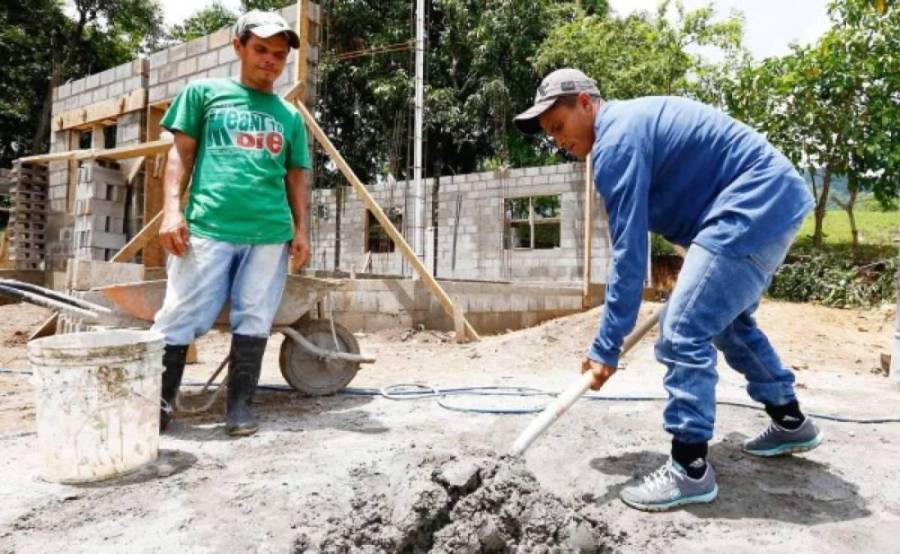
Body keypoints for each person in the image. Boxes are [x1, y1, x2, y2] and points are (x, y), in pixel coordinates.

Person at [514, 68, 823, 511]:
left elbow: (629, 257)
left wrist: (606, 348)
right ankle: (790, 419)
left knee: (682, 329)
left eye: (559, 127)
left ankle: (689, 468)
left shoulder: (615, 143)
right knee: (726, 324)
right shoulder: (625, 131)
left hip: (754, 199)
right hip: (768, 199)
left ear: (585, 102)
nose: (558, 141)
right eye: (550, 135)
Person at [152, 10, 311, 437]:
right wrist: (171, 210)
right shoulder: (204, 93)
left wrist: (301, 230)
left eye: (279, 55)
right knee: (179, 315)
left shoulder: (289, 115)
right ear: (238, 46)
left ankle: (239, 406)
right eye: (261, 50)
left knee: (255, 316)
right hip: (208, 227)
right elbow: (178, 155)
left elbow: (296, 174)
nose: (270, 61)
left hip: (270, 233)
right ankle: (160, 406)